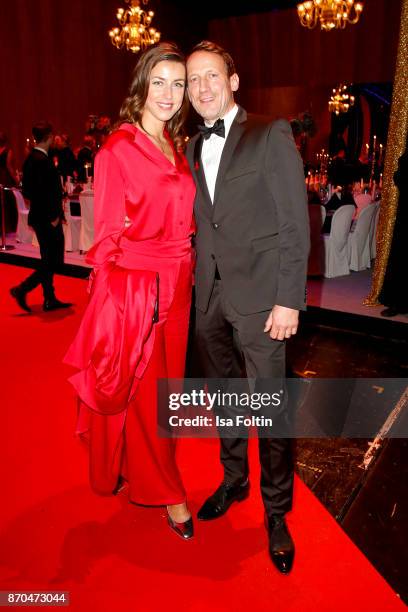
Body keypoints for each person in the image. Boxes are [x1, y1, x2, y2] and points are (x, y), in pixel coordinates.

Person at [186, 41, 309, 572]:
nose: (202, 88)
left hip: (264, 302)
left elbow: (293, 225)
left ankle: (277, 513)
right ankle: (234, 480)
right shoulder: (190, 146)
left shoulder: (268, 132)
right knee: (227, 401)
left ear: (233, 82)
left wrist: (288, 299)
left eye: (212, 76)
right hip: (208, 299)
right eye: (193, 81)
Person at [64, 43, 196, 539]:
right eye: (159, 82)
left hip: (181, 285)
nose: (169, 93)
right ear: (141, 86)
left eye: (178, 84)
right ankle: (170, 493)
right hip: (141, 291)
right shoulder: (118, 149)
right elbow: (106, 241)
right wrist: (119, 304)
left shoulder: (174, 145)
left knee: (169, 398)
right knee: (144, 399)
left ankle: (140, 468)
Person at [10, 121, 72, 313]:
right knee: (54, 261)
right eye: (52, 136)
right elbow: (42, 192)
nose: (54, 138)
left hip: (40, 217)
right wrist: (53, 216)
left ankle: (49, 298)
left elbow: (28, 190)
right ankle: (23, 289)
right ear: (48, 137)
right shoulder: (40, 161)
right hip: (47, 218)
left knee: (48, 259)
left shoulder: (32, 159)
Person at [379, 140, 408, 317]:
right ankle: (397, 302)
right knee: (401, 258)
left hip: (405, 216)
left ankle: (398, 303)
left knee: (401, 256)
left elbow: (400, 176)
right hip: (405, 215)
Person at [0, 131, 19, 233]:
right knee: (8, 202)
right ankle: (9, 227)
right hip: (5, 178)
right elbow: (9, 167)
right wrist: (16, 180)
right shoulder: (8, 151)